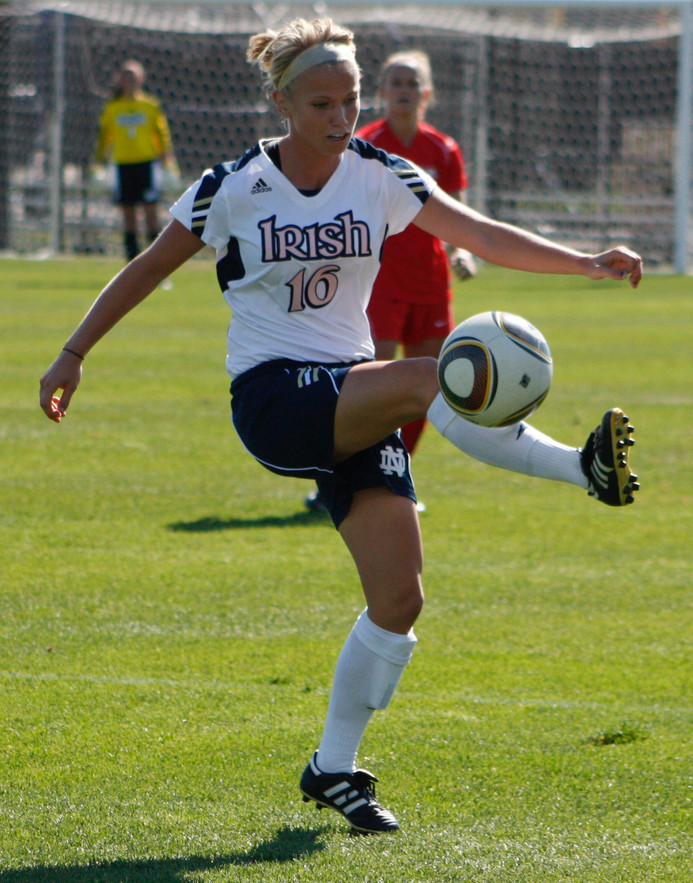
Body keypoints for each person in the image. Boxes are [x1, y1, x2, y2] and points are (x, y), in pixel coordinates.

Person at [40, 16, 641, 836]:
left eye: (349, 100)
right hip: (275, 397)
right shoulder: (231, 184)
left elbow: (479, 234)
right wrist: (74, 351)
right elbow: (145, 269)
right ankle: (583, 471)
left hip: (352, 393)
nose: (339, 115)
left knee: (399, 599)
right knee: (432, 378)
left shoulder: (381, 173)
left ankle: (332, 767)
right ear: (284, 102)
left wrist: (584, 260)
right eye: (322, 102)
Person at [358, 50, 476, 456]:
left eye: (413, 83)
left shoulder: (443, 149)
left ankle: (395, 472)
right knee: (374, 384)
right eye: (397, 82)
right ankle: (348, 475)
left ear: (427, 93)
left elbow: (458, 216)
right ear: (381, 92)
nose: (404, 90)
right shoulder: (365, 146)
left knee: (429, 386)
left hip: (430, 282)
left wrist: (462, 252)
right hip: (381, 282)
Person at [95, 59, 176, 262]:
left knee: (151, 214)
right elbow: (104, 137)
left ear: (141, 79)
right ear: (120, 80)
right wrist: (98, 165)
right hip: (123, 166)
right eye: (125, 76)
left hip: (146, 165)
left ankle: (156, 264)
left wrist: (168, 164)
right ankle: (131, 264)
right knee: (129, 216)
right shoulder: (113, 108)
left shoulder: (150, 105)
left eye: (133, 76)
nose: (129, 80)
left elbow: (162, 135)